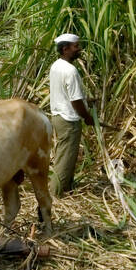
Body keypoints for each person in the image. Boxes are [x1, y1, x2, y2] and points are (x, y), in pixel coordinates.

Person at [48, 33, 97, 196]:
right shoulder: (71, 71)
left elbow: (66, 94)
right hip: (69, 120)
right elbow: (75, 101)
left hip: (58, 117)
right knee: (66, 158)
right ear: (65, 48)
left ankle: (66, 188)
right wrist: (87, 117)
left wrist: (86, 100)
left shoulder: (56, 66)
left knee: (65, 155)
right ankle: (56, 194)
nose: (79, 49)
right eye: (76, 46)